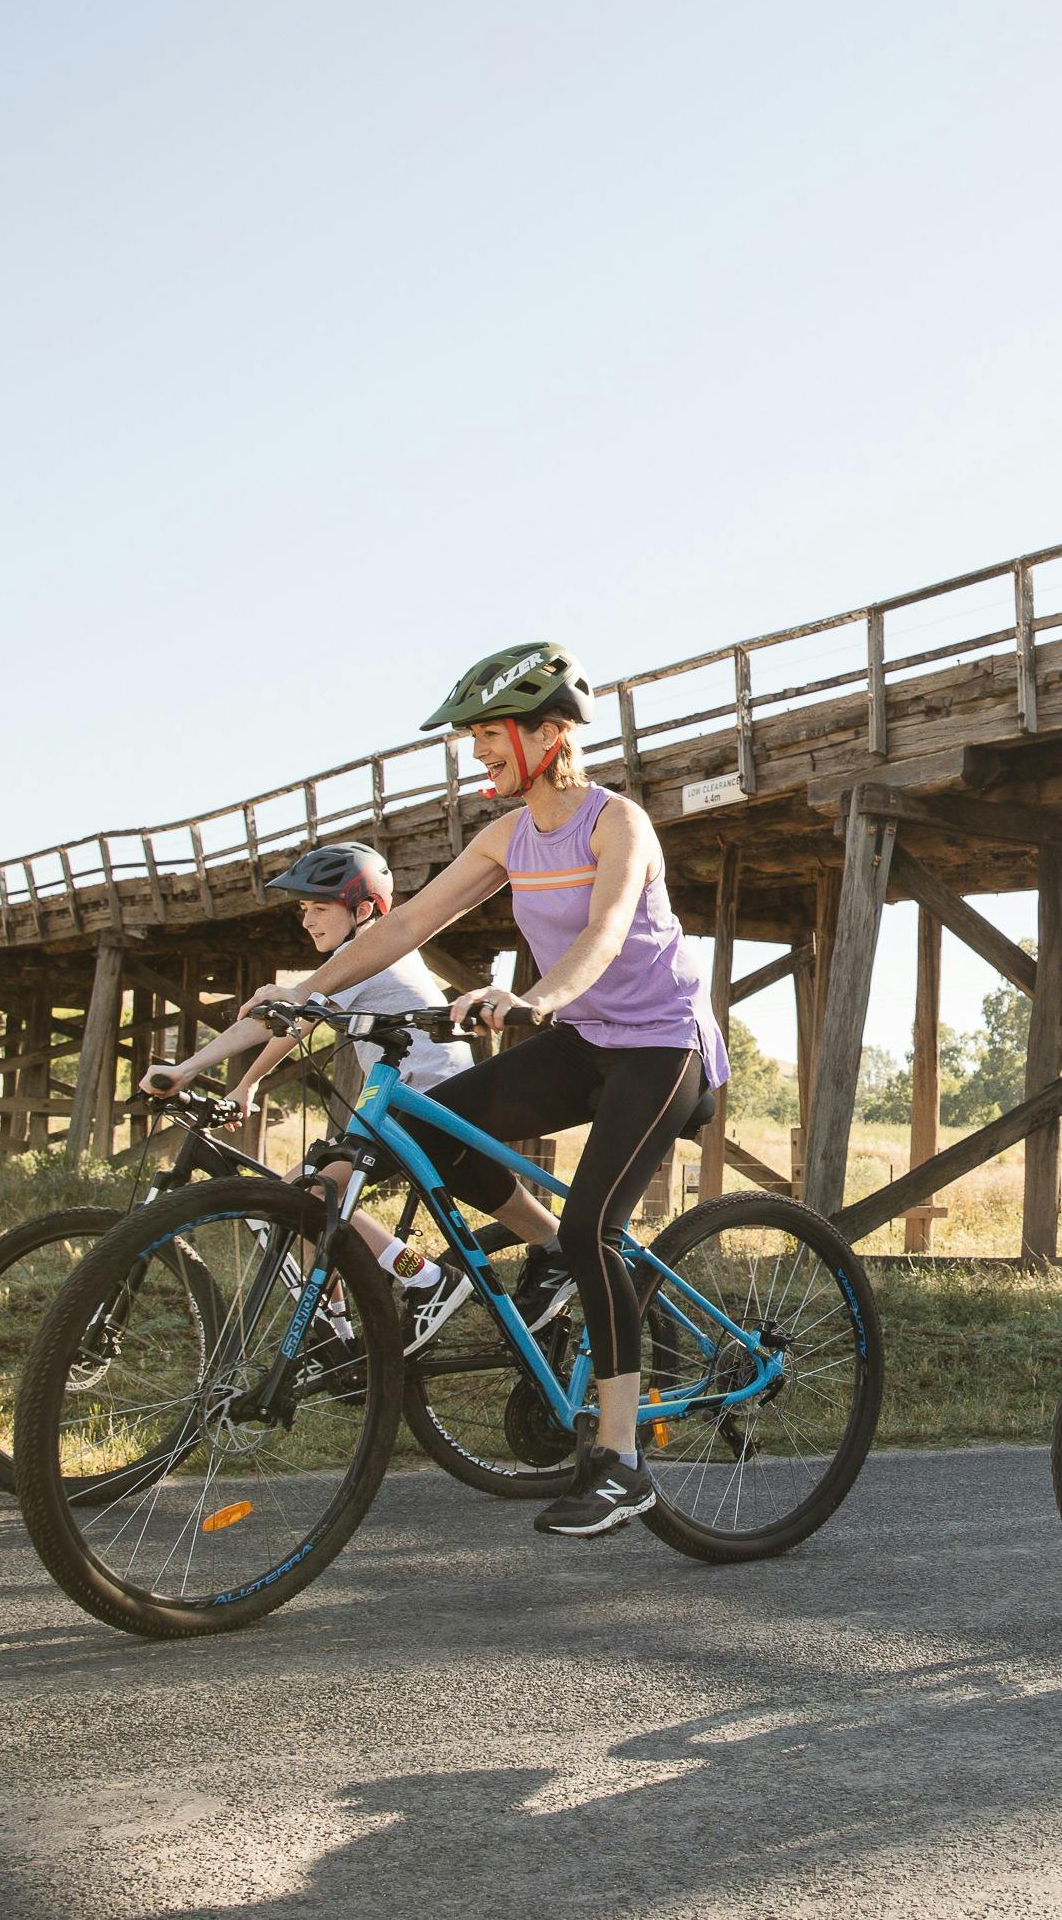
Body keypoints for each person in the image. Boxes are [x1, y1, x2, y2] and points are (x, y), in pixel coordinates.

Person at [244, 642, 727, 1539]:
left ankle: (621, 1463)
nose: (478, 755)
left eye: (489, 737)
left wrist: (532, 996)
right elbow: (412, 924)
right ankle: (547, 1256)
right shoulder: (508, 835)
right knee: (434, 1134)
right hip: (585, 1041)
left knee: (595, 1229)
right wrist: (303, 997)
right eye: (473, 741)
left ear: (549, 733)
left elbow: (608, 926)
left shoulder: (617, 823)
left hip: (661, 1048)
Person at [138, 843, 571, 1333]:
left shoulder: (365, 958)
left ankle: (428, 1281)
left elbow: (282, 1022)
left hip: (424, 1101)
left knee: (306, 1197)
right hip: (419, 1099)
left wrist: (188, 1068)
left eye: (320, 908)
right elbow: (296, 1025)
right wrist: (246, 1084)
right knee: (495, 1204)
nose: (307, 921)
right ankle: (340, 1328)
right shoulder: (364, 959)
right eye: (304, 909)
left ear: (363, 911)